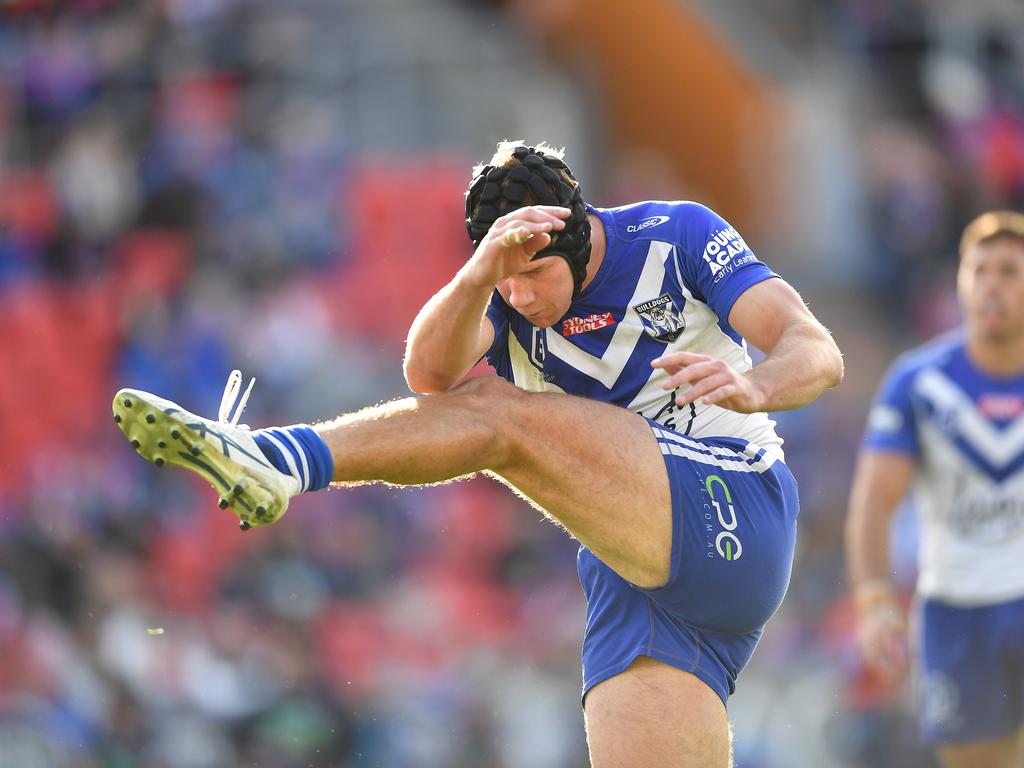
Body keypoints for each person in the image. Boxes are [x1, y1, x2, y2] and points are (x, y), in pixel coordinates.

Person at [113, 141, 843, 767]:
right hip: (634, 575)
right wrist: (475, 276)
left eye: (537, 275)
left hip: (732, 504)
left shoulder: (676, 234)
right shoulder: (498, 286)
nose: (521, 296)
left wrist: (756, 383)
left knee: (499, 416)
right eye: (508, 279)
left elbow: (816, 349)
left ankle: (277, 459)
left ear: (580, 238)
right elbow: (428, 377)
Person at [846, 210, 1024, 768]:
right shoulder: (919, 383)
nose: (993, 284)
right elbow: (874, 501)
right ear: (961, 284)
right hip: (956, 608)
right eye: (980, 271)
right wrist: (875, 602)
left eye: (1010, 271)